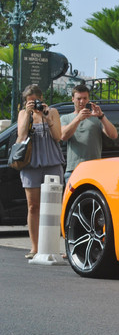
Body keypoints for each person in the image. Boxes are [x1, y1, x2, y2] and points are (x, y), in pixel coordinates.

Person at [17, 85, 64, 259]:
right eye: (29, 102)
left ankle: (53, 246)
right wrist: (28, 114)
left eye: (35, 101)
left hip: (52, 162)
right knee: (33, 206)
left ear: (42, 99)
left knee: (53, 207)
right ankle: (35, 247)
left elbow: (58, 137)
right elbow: (21, 137)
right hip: (31, 164)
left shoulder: (52, 112)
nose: (34, 104)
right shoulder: (23, 114)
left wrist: (46, 118)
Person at [60, 84, 118, 182]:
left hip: (94, 168)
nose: (82, 101)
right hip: (74, 169)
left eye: (85, 98)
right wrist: (78, 118)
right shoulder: (66, 118)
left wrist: (102, 116)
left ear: (88, 99)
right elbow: (63, 136)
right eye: (79, 98)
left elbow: (113, 135)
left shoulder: (96, 117)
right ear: (72, 99)